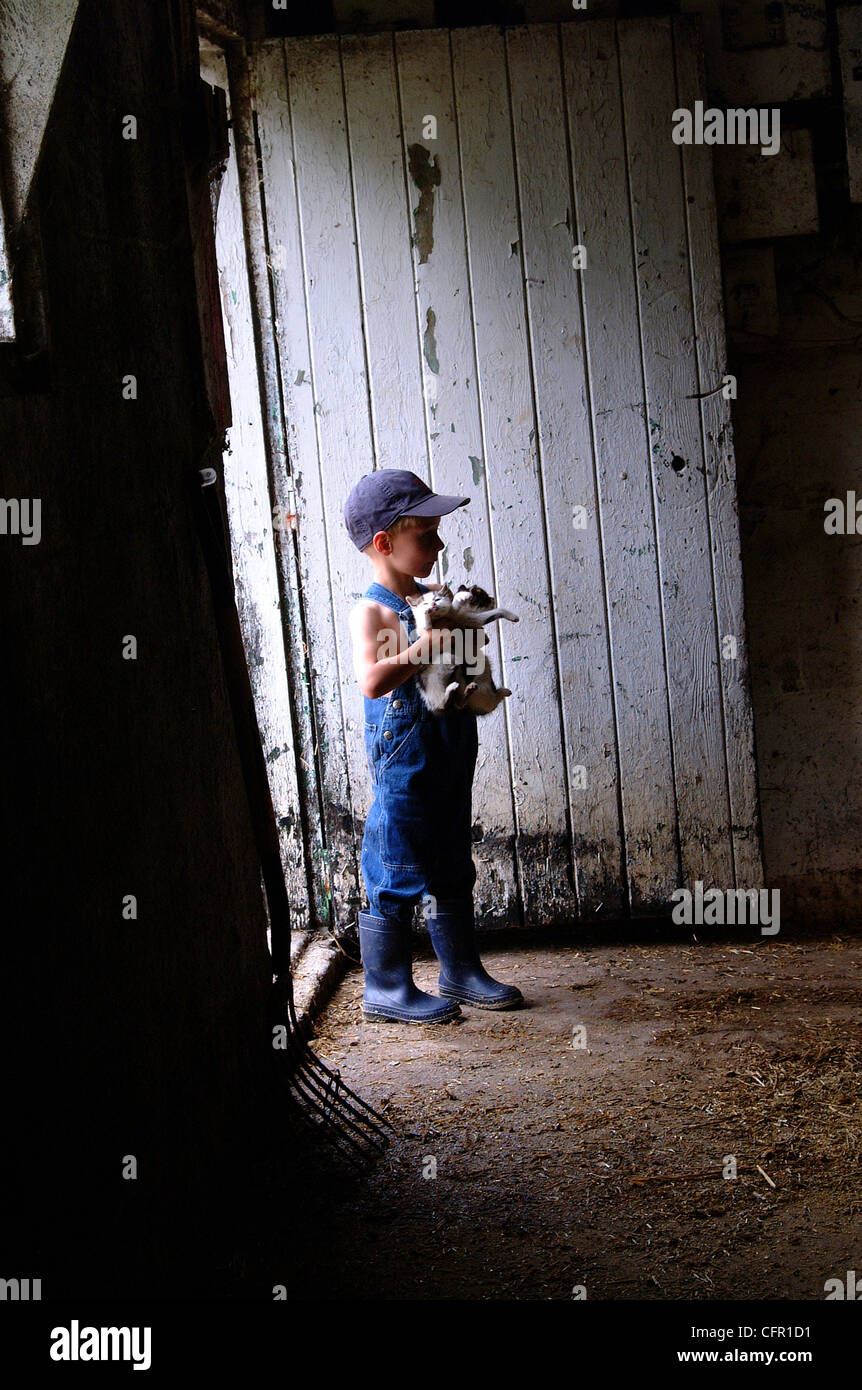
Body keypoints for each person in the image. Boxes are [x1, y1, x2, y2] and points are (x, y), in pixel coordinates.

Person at [344, 469, 523, 1024]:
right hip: (404, 758)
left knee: (451, 860)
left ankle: (461, 970)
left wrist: (466, 622)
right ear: (384, 544)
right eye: (427, 536)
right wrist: (427, 641)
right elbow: (373, 681)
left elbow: (461, 650)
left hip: (450, 744)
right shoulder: (372, 612)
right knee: (396, 862)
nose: (439, 546)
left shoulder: (433, 597)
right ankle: (388, 985)